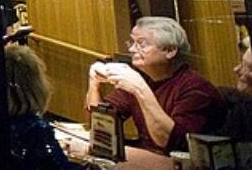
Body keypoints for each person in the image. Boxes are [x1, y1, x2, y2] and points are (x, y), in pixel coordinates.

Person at [85, 16, 225, 153]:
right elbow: (98, 124)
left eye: (141, 44)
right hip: (148, 161)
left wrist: (139, 89)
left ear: (170, 51)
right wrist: (94, 84)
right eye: (132, 42)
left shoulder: (196, 89)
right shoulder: (141, 78)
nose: (132, 49)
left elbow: (171, 144)